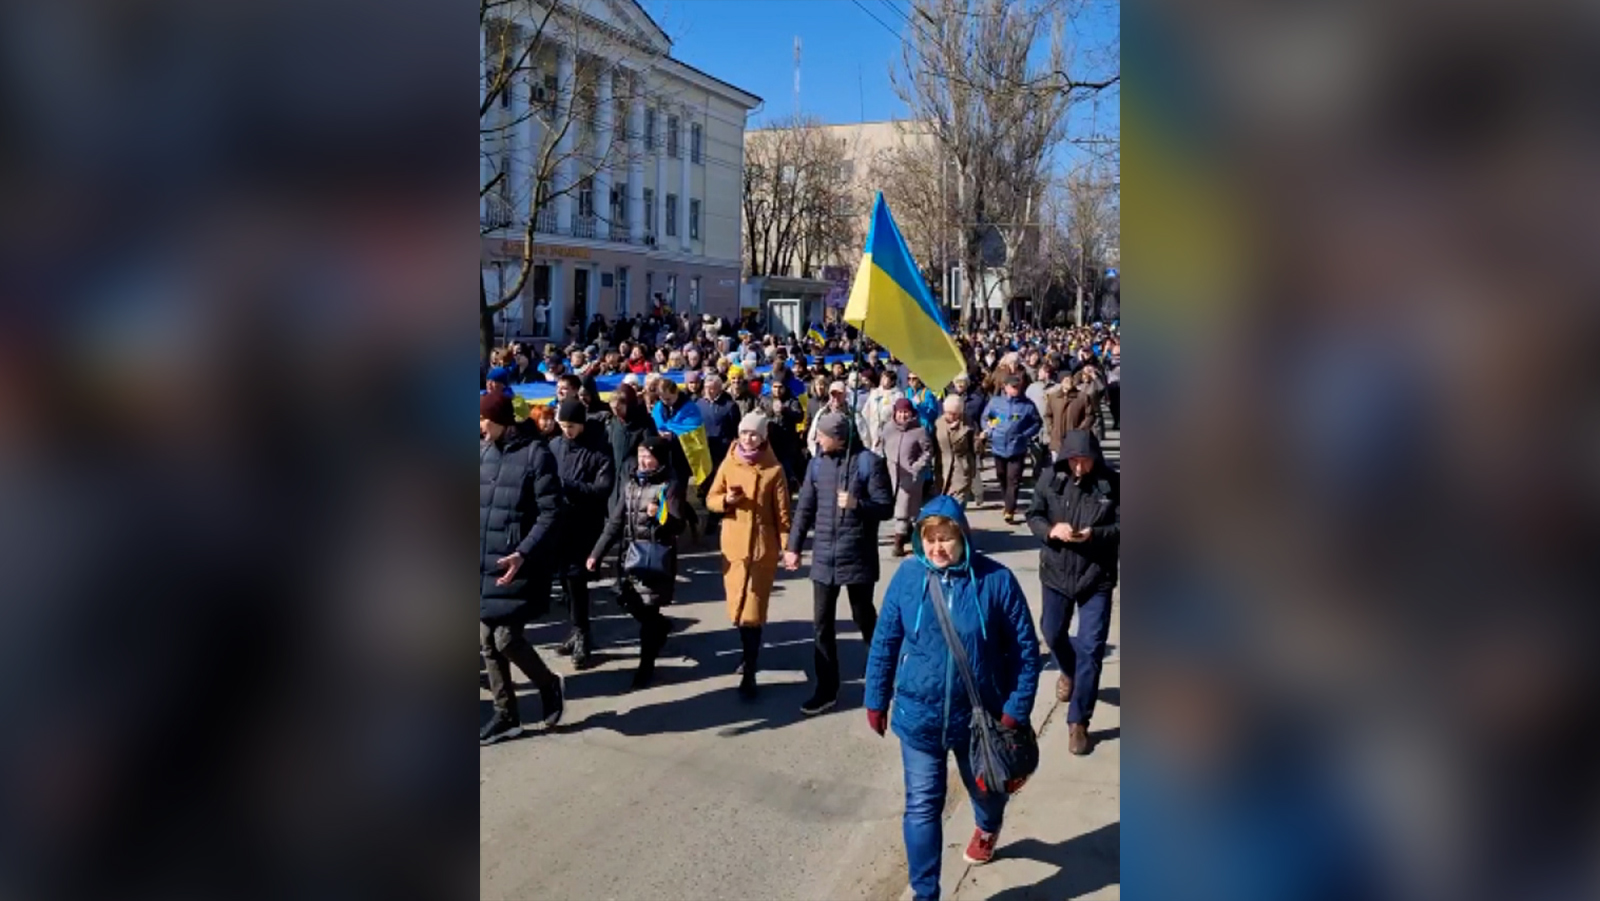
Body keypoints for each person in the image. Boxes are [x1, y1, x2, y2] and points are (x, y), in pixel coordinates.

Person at [863, 497, 1042, 899]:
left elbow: (1026, 652)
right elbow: (885, 641)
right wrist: (875, 698)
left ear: (963, 536)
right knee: (923, 804)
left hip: (978, 720)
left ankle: (988, 825)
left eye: (946, 538)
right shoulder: (908, 578)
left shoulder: (996, 581)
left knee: (987, 791)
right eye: (930, 538)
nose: (938, 547)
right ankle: (926, 893)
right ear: (919, 539)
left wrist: (1014, 711)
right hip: (918, 716)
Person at [784, 412, 894, 715]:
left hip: (857, 554)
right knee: (821, 625)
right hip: (824, 557)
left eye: (822, 435)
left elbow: (886, 508)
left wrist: (858, 504)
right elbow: (804, 507)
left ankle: (883, 676)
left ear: (840, 438)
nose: (817, 439)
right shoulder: (817, 464)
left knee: (864, 618)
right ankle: (826, 688)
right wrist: (793, 547)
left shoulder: (869, 463)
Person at [1025, 429, 1119, 756]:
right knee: (1052, 632)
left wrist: (1097, 535)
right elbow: (1033, 514)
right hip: (1056, 571)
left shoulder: (1112, 483)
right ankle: (1068, 670)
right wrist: (1052, 530)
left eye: (1086, 462)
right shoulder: (1050, 478)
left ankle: (1078, 721)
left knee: (1091, 648)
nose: (1080, 468)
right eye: (1074, 462)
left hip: (1097, 575)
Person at [479, 392, 566, 745]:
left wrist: (523, 552)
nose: (480, 425)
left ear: (502, 420)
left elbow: (551, 513)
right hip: (485, 562)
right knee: (487, 640)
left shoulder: (537, 455)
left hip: (520, 564)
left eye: (484, 419)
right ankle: (506, 716)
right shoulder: (484, 453)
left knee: (506, 638)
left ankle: (549, 685)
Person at [704, 413, 793, 699]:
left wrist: (788, 548)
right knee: (739, 612)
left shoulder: (774, 470)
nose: (748, 438)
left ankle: (750, 672)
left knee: (752, 613)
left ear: (763, 436)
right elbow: (710, 498)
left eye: (754, 434)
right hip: (733, 546)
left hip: (760, 548)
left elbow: (783, 515)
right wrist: (725, 501)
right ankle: (747, 654)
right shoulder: (729, 462)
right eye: (744, 433)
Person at [587, 436, 684, 689]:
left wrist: (660, 515)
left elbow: (677, 524)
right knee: (628, 601)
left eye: (649, 456)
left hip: (654, 558)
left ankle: (646, 666)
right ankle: (661, 627)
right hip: (630, 557)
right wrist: (596, 554)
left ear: (659, 459)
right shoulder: (631, 484)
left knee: (649, 612)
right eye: (641, 455)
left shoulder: (669, 485)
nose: (643, 460)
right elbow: (616, 522)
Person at [549, 399, 616, 668]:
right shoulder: (554, 446)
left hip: (584, 524)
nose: (568, 431)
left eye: (572, 426)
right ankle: (575, 628)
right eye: (564, 426)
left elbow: (602, 489)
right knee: (565, 581)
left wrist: (570, 486)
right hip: (558, 523)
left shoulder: (598, 450)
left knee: (576, 580)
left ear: (582, 424)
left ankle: (583, 635)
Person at [981, 375, 1043, 524]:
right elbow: (986, 418)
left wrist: (1025, 435)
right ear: (1006, 387)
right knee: (1001, 476)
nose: (1016, 389)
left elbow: (1036, 422)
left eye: (1018, 387)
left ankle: (1010, 509)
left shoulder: (1027, 405)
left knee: (1013, 479)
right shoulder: (996, 402)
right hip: (998, 446)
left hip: (1017, 448)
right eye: (1013, 387)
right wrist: (991, 430)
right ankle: (1007, 499)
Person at [882, 399, 933, 557]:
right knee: (905, 511)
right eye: (900, 412)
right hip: (891, 475)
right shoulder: (888, 428)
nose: (903, 415)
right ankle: (912, 535)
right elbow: (881, 446)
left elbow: (928, 451)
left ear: (911, 413)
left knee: (904, 511)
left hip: (911, 477)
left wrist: (917, 466)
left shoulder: (920, 430)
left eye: (906, 412)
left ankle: (898, 544)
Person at [935, 394, 979, 508]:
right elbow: (933, 445)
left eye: (954, 414)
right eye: (948, 413)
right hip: (943, 468)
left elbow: (975, 448)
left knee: (958, 503)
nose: (950, 416)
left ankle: (957, 523)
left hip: (961, 468)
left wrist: (980, 441)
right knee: (944, 501)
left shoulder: (968, 423)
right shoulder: (938, 424)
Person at [805, 380, 868, 458]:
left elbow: (865, 436)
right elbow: (811, 437)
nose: (836, 398)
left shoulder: (854, 414)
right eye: (833, 394)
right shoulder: (822, 413)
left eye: (840, 394)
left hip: (849, 457)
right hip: (826, 457)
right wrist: (817, 455)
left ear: (845, 395)